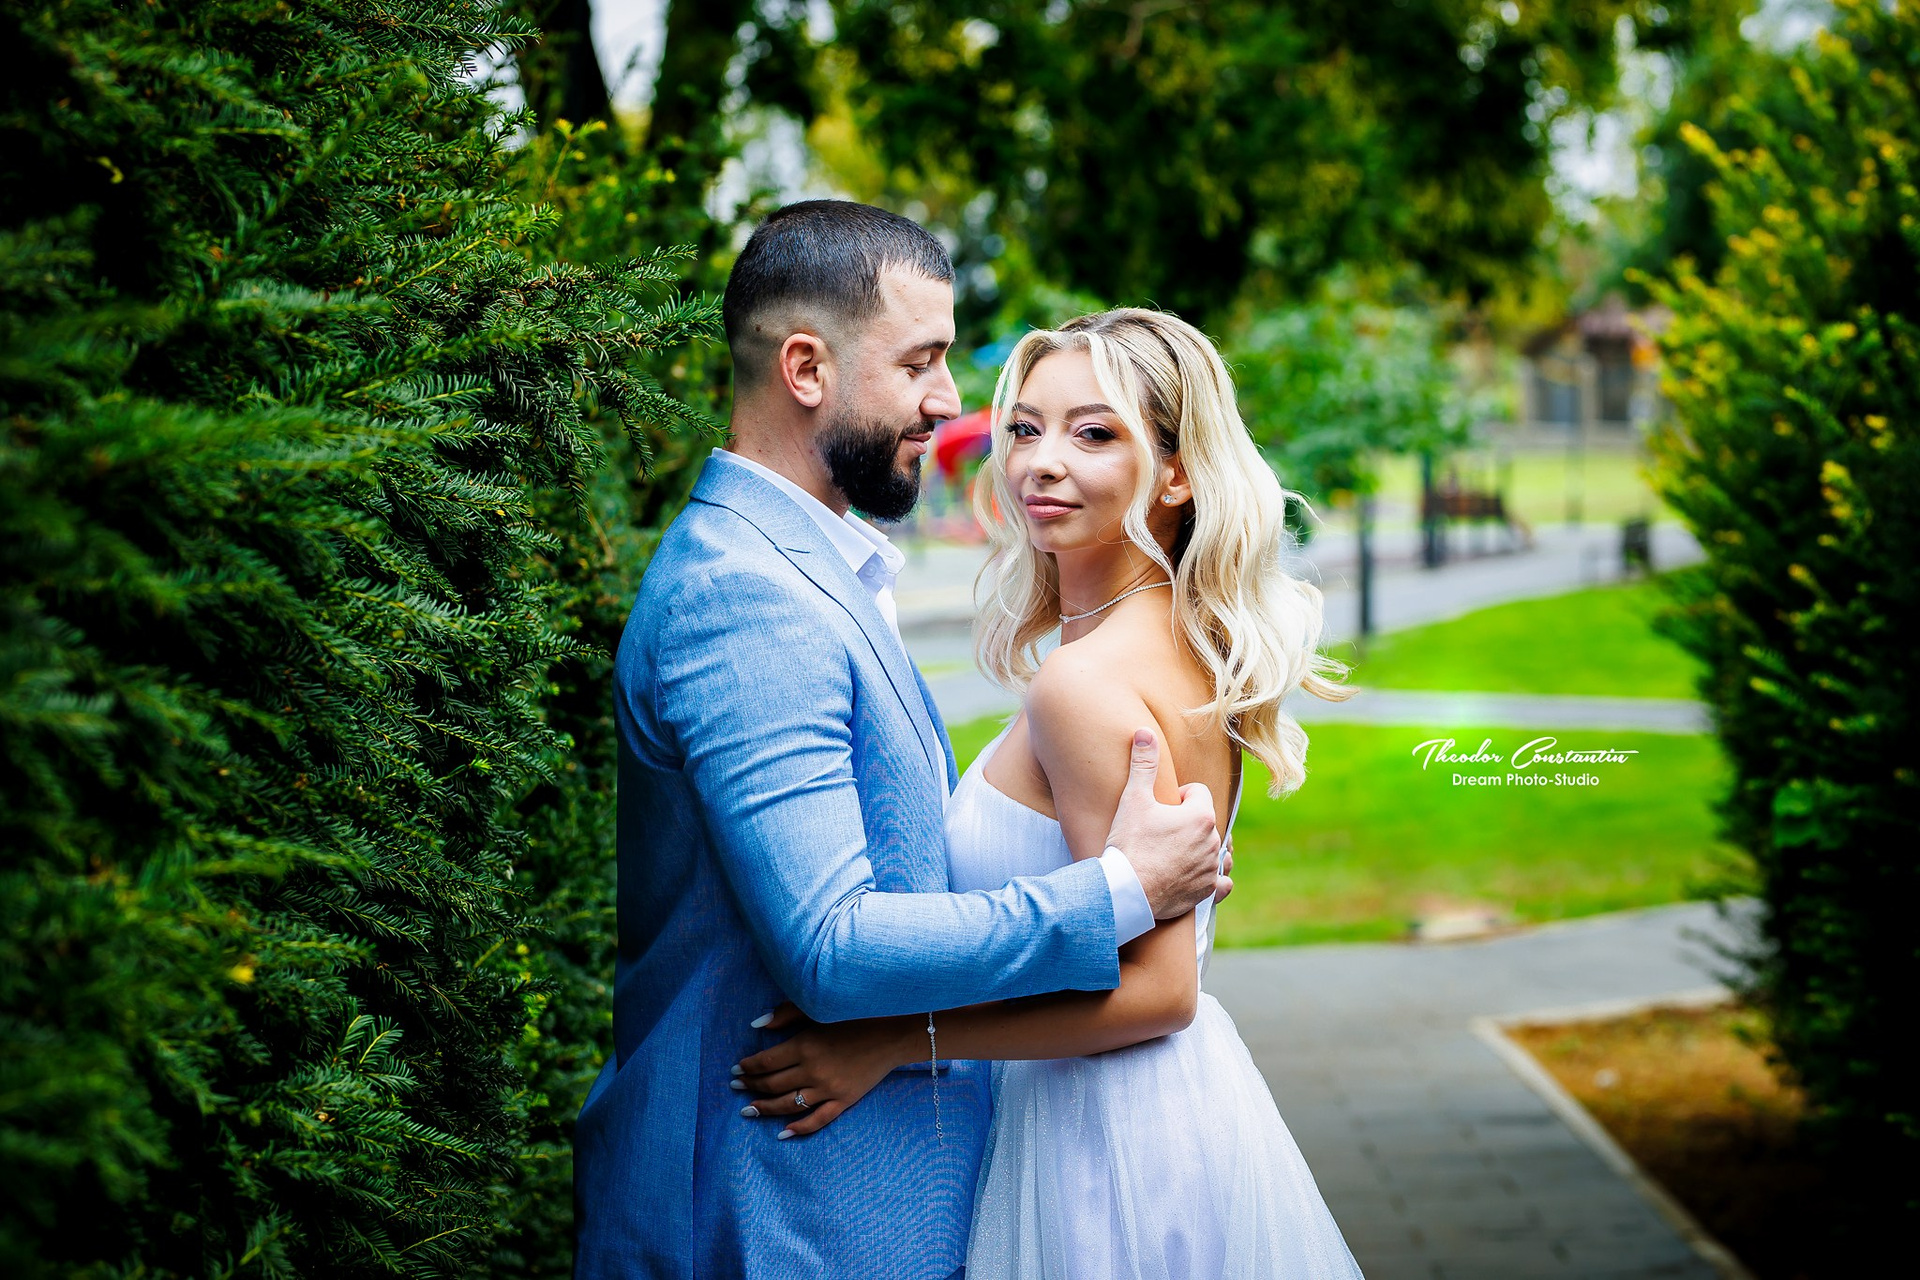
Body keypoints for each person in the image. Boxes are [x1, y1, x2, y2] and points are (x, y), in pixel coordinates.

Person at [571, 204, 1230, 1280]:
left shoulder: (812, 570)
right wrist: (1119, 889)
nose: (950, 400)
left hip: (854, 1206)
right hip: (776, 1212)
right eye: (920, 361)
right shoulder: (747, 595)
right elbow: (832, 945)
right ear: (806, 368)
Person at [733, 308, 1365, 1278]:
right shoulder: (1177, 642)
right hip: (1153, 1107)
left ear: (1177, 473)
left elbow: (1160, 990)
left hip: (1107, 1141)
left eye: (1094, 433)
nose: (1042, 462)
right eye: (1026, 429)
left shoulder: (1084, 683)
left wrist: (898, 1040)